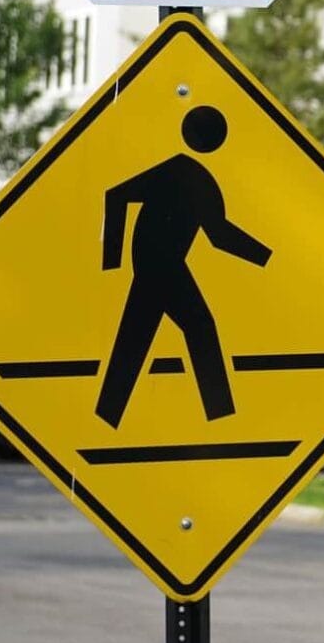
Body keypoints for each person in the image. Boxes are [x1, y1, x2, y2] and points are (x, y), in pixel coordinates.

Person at [95, 105, 271, 428]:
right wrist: (111, 262)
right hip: (159, 267)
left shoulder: (195, 176)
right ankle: (221, 418)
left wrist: (266, 258)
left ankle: (106, 417)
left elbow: (218, 235)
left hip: (161, 266)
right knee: (199, 328)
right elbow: (116, 195)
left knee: (136, 341)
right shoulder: (185, 173)